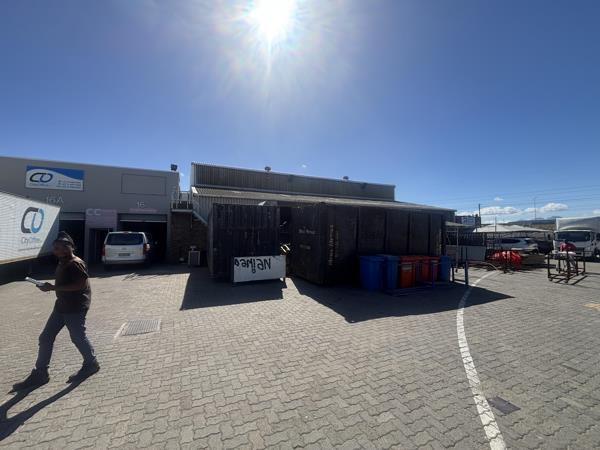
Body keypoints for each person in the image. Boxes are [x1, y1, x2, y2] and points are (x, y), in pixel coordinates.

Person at [12, 232, 99, 391]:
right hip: (61, 306)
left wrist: (53, 288)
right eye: (55, 248)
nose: (57, 251)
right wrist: (49, 287)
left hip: (75, 307)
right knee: (46, 337)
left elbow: (80, 285)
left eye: (60, 248)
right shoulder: (63, 262)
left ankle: (91, 363)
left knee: (78, 337)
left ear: (69, 247)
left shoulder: (75, 263)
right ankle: (40, 373)